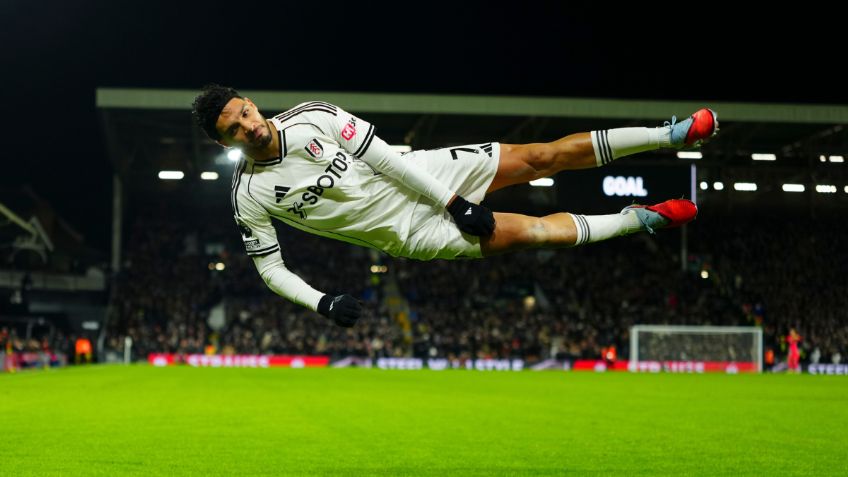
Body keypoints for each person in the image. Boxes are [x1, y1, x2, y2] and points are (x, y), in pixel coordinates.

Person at [191, 85, 718, 328]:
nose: (247, 127)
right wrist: (321, 302)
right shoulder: (249, 194)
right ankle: (639, 219)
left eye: (244, 113)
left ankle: (668, 135)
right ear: (224, 143)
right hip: (410, 233)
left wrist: (455, 200)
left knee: (541, 157)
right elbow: (271, 270)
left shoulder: (314, 117)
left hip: (426, 175)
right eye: (233, 130)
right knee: (536, 233)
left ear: (251, 104)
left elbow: (385, 158)